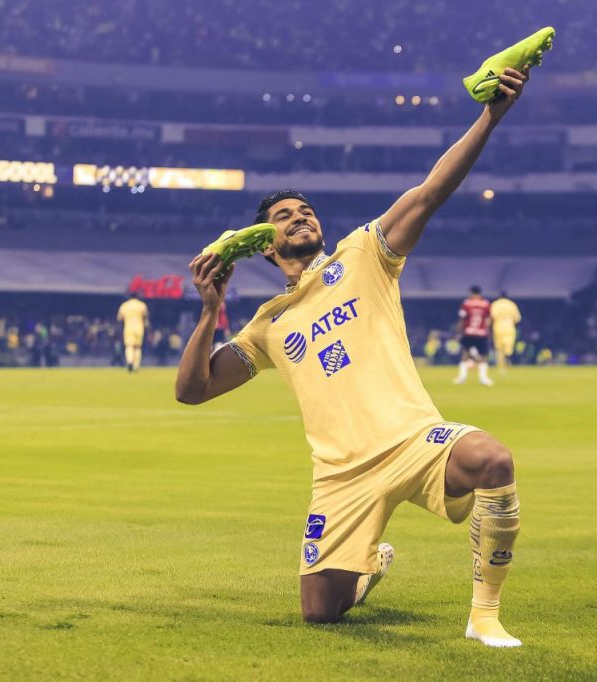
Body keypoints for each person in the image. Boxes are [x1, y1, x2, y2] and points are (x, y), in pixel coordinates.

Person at [175, 64, 532, 647]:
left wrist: (490, 115)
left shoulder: (364, 254)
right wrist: (210, 310)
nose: (300, 216)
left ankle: (484, 616)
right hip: (341, 476)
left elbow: (429, 193)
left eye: (305, 210)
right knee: (320, 614)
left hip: (413, 439)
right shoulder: (268, 323)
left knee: (492, 459)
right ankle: (369, 565)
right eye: (284, 216)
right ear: (264, 245)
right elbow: (192, 391)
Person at [454, 286, 494, 386]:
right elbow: (488, 320)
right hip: (481, 333)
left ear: (471, 293)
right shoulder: (485, 304)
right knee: (483, 356)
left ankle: (462, 378)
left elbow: (462, 319)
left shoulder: (467, 303)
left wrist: (459, 332)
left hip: (469, 332)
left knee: (465, 355)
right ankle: (483, 378)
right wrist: (488, 332)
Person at [117, 293, 149, 372]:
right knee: (137, 347)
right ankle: (136, 365)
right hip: (139, 328)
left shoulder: (124, 305)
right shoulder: (142, 305)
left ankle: (130, 362)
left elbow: (120, 318)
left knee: (129, 346)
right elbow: (145, 317)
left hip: (128, 328)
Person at [490, 292, 521, 373]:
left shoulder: (495, 304)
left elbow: (492, 317)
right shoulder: (512, 304)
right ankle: (508, 360)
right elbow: (517, 318)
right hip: (509, 327)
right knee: (508, 346)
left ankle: (501, 366)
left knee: (499, 348)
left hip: (498, 327)